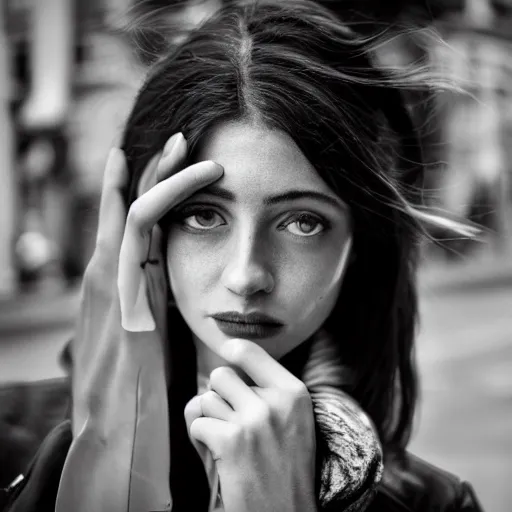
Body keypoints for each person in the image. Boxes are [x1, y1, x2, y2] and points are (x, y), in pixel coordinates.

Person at [1, 1, 484, 511]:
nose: (246, 275)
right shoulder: (10, 440)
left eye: (303, 223)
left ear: (359, 246)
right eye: (203, 216)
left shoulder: (435, 504)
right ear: (143, 225)